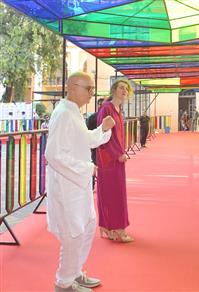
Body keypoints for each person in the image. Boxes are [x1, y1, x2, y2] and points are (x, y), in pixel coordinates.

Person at [45, 72, 115, 292]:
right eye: (89, 89)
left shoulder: (73, 112)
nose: (91, 94)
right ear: (72, 87)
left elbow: (85, 141)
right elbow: (53, 154)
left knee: (86, 226)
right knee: (73, 234)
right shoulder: (64, 113)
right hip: (68, 187)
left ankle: (75, 272)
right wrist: (86, 168)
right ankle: (64, 282)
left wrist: (102, 129)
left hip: (78, 185)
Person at [96, 79, 134, 243]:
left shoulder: (118, 110)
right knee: (113, 193)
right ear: (114, 90)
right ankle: (117, 230)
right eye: (121, 87)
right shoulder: (107, 108)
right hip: (109, 159)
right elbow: (105, 136)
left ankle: (111, 229)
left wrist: (121, 153)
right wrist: (117, 154)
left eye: (126, 88)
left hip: (117, 158)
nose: (124, 90)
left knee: (114, 193)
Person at [86, 98, 105, 189]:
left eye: (103, 104)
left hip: (105, 146)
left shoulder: (108, 117)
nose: (101, 106)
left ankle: (103, 185)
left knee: (104, 167)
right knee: (93, 165)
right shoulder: (92, 117)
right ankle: (92, 184)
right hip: (94, 146)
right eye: (100, 104)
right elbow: (88, 130)